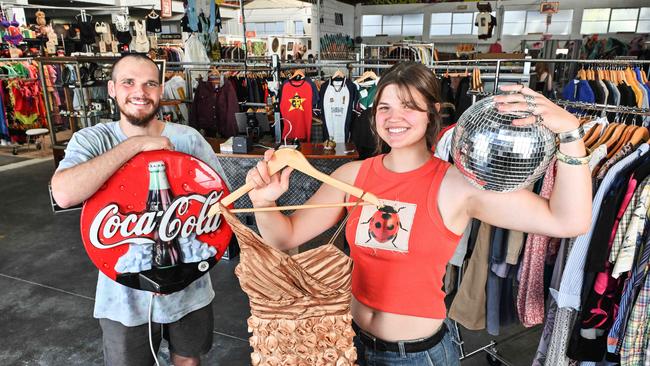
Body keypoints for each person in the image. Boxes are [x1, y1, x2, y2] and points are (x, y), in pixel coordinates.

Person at [245, 62, 591, 365]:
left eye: (409, 107)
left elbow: (569, 221)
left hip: (416, 356)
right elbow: (285, 237)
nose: (394, 118)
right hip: (348, 343)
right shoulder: (353, 175)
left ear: (432, 113)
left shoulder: (457, 185)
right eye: (384, 108)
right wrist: (264, 201)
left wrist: (571, 134)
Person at [51, 54, 224, 366]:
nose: (140, 92)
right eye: (129, 82)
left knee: (189, 360)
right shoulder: (93, 139)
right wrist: (136, 145)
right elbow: (63, 193)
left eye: (150, 84)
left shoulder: (188, 139)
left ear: (160, 91)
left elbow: (221, 204)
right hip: (122, 297)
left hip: (191, 288)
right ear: (112, 89)